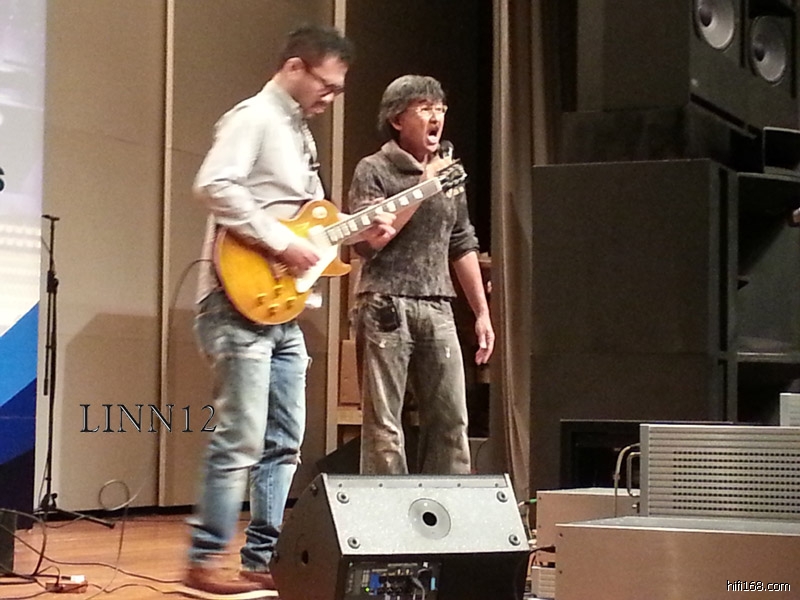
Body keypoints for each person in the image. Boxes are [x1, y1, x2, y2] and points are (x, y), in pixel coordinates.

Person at [185, 25, 395, 597]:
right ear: (295, 68)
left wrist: (360, 233)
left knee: (284, 441)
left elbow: (310, 230)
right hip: (235, 302)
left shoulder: (300, 134)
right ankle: (203, 562)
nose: (332, 97)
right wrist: (279, 241)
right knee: (240, 437)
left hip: (281, 308)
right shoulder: (253, 117)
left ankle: (261, 559)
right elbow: (214, 184)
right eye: (327, 85)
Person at [348, 74, 494, 476]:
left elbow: (461, 241)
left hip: (438, 304)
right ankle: (387, 511)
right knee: (385, 427)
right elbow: (368, 242)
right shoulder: (373, 169)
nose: (437, 117)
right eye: (426, 108)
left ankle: (448, 509)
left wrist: (481, 312)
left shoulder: (450, 172)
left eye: (441, 109)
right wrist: (425, 187)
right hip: (384, 304)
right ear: (397, 120)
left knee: (451, 420)